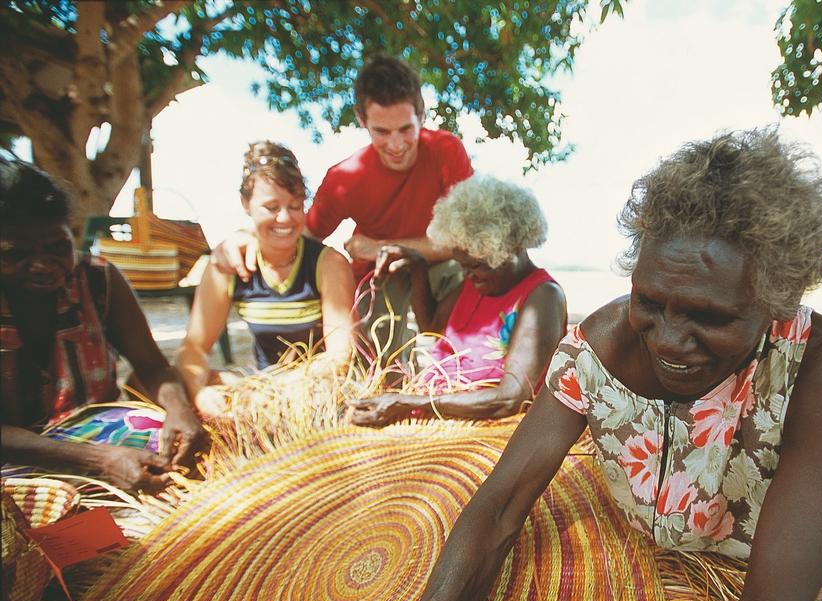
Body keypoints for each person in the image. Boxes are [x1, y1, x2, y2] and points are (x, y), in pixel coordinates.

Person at [394, 129, 822, 601]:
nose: (670, 340)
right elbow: (497, 510)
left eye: (710, 315)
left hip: (790, 582)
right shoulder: (597, 350)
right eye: (650, 301)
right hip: (639, 558)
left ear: (779, 299)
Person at [212, 52, 474, 372]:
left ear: (422, 114)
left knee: (467, 275)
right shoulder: (345, 178)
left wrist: (380, 247)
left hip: (435, 265)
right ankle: (395, 384)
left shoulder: (447, 151)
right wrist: (247, 235)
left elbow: (468, 241)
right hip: (377, 276)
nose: (395, 144)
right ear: (362, 121)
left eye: (406, 129)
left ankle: (462, 367)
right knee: (379, 360)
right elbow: (299, 235)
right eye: (381, 131)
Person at [0, 158, 207, 494]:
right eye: (15, 254)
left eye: (57, 247)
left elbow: (153, 368)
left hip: (97, 431)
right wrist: (98, 461)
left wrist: (179, 410)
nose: (41, 265)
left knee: (187, 453)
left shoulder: (99, 281)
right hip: (15, 453)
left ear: (72, 233)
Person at [349, 175, 567, 425]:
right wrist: (419, 268)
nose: (466, 275)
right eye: (462, 265)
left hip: (488, 428)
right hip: (436, 414)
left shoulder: (543, 296)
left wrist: (408, 402)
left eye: (475, 265)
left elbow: (510, 399)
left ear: (509, 251)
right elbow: (432, 328)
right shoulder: (477, 282)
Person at [176, 141, 355, 416]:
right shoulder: (228, 265)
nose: (284, 218)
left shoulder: (328, 264)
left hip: (318, 389)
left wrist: (283, 386)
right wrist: (199, 392)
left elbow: (340, 357)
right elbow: (194, 347)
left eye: (295, 206)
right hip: (262, 386)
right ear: (245, 204)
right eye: (271, 207)